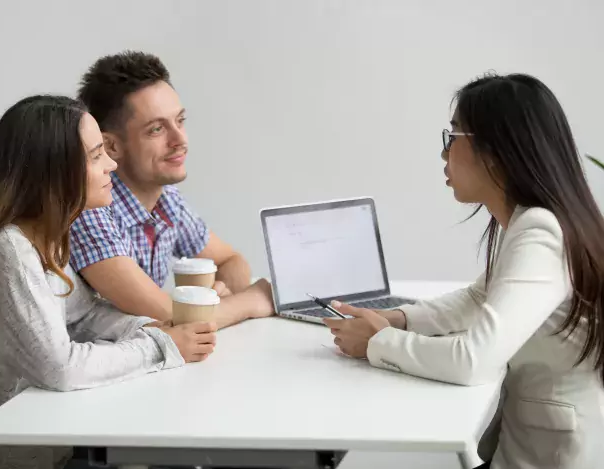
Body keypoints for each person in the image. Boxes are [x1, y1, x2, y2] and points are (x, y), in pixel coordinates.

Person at [324, 73, 604, 469]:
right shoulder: (534, 221)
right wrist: (397, 318)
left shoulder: (542, 233)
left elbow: (474, 360)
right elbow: (479, 297)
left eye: (452, 137)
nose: (444, 154)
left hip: (554, 456)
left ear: (496, 151)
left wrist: (378, 341)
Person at [0, 95, 216, 469]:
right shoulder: (11, 249)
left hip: (61, 434)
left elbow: (83, 316)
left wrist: (148, 326)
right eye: (96, 156)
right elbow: (60, 367)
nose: (112, 163)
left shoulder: (48, 236)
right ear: (54, 171)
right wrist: (161, 346)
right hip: (25, 454)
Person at [70, 50, 274, 326]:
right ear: (111, 146)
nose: (180, 140)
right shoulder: (89, 207)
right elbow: (168, 316)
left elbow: (232, 260)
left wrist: (220, 291)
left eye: (180, 121)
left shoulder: (167, 200)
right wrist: (252, 301)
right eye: (156, 129)